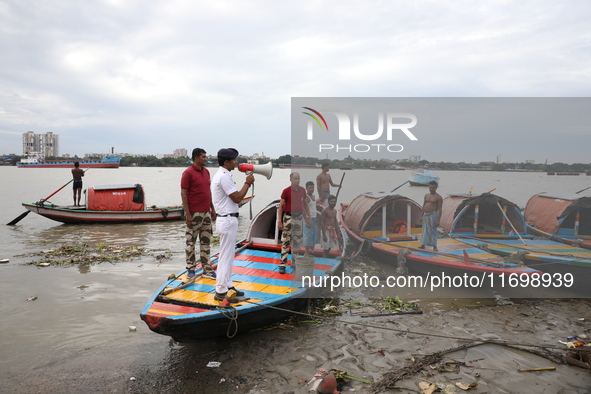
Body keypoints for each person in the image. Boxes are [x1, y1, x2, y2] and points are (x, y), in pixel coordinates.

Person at [211, 148, 254, 301]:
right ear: (226, 162)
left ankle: (228, 285)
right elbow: (237, 198)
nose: (236, 162)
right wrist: (247, 184)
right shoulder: (224, 177)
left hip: (227, 219)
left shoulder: (223, 175)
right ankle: (221, 292)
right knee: (225, 257)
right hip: (227, 220)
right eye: (234, 160)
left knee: (229, 255)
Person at [181, 148, 216, 278]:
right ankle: (191, 268)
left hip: (206, 212)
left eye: (205, 156)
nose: (205, 159)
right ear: (196, 158)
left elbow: (208, 192)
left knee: (206, 241)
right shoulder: (188, 173)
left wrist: (212, 209)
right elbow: (183, 194)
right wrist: (188, 214)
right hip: (194, 212)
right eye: (203, 157)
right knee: (191, 242)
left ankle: (207, 269)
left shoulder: (206, 172)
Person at [278, 172, 309, 274]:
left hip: (299, 218)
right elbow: (281, 206)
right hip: (288, 217)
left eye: (298, 178)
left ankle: (294, 262)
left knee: (297, 241)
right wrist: (279, 221)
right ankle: (283, 263)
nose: (297, 180)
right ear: (290, 179)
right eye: (295, 178)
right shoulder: (286, 191)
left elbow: (305, 204)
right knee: (286, 241)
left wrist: (308, 218)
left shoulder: (302, 191)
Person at [419, 181, 443, 251]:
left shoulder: (438, 197)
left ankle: (434, 246)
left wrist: (438, 220)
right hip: (425, 215)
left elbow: (439, 209)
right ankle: (423, 245)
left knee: (433, 231)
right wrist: (421, 215)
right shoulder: (426, 195)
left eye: (432, 188)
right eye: (430, 188)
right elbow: (423, 205)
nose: (431, 189)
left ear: (436, 188)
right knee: (424, 230)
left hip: (433, 215)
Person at [302, 181, 318, 257]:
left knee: (313, 235)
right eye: (310, 188)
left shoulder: (314, 197)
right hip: (308, 218)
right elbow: (303, 209)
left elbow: (314, 207)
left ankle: (309, 252)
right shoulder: (306, 197)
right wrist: (307, 219)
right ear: (306, 188)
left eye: (313, 187)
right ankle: (306, 253)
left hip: (314, 218)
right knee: (307, 235)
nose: (312, 189)